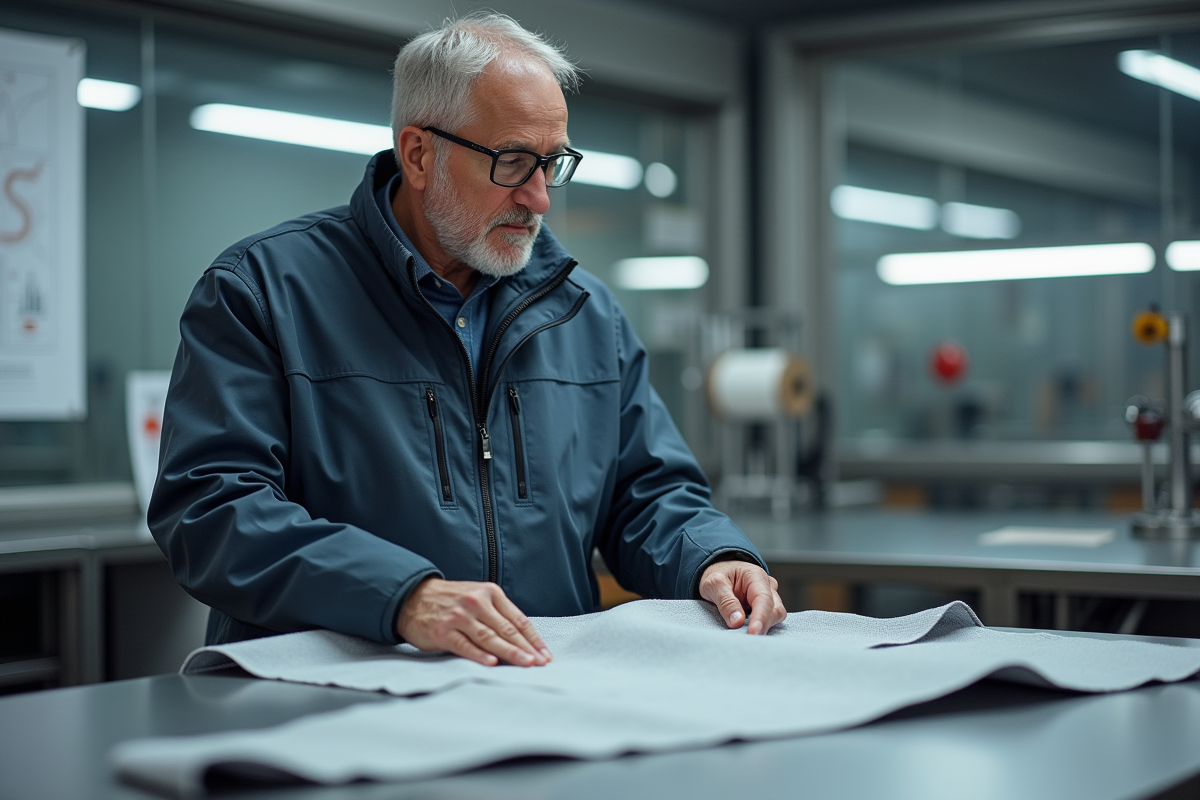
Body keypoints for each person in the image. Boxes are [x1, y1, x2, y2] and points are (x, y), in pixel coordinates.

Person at [149, 12, 786, 668]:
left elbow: (647, 493)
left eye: (554, 162)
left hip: (537, 695)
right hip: (326, 705)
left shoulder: (585, 315)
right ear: (420, 154)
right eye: (513, 162)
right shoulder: (262, 292)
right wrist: (399, 597)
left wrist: (714, 556)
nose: (539, 198)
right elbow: (212, 512)